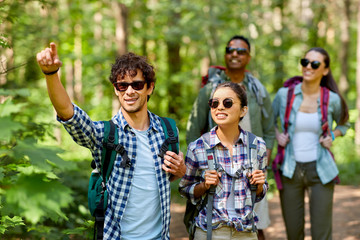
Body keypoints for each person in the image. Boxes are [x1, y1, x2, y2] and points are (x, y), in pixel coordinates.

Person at [36, 43, 186, 240]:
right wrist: (51, 74)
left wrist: (181, 171)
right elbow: (68, 113)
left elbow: (165, 177)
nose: (129, 91)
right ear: (116, 90)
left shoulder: (168, 130)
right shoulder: (104, 135)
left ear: (149, 88)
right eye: (122, 85)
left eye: (137, 84)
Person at [186, 35, 274, 239]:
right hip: (215, 160)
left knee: (256, 224)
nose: (235, 54)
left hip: (251, 161)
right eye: (230, 50)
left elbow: (270, 130)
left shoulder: (257, 90)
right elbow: (194, 127)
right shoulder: (209, 90)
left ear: (249, 57)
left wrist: (263, 161)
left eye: (241, 51)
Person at [272, 47, 350, 240]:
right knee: (293, 233)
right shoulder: (284, 95)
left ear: (324, 70)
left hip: (321, 171)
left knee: (321, 235)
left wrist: (333, 135)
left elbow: (345, 124)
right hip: (290, 170)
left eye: (314, 64)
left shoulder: (331, 99)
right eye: (305, 62)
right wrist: (277, 135)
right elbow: (269, 123)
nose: (308, 67)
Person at [179, 82, 269, 240]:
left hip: (247, 233)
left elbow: (260, 193)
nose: (219, 107)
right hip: (209, 232)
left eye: (227, 103)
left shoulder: (257, 146)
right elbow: (185, 189)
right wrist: (204, 186)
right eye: (214, 103)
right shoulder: (197, 147)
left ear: (243, 110)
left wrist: (260, 186)